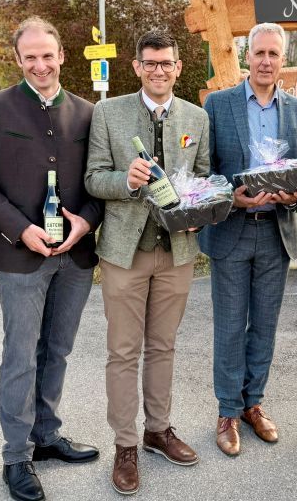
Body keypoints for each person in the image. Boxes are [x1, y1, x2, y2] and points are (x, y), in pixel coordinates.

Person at [0, 16, 103, 501]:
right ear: (18, 59)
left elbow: (99, 179)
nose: (40, 65)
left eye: (48, 55)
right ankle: (15, 457)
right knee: (20, 356)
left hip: (76, 256)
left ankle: (46, 435)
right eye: (31, 57)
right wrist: (21, 229)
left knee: (58, 350)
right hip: (18, 255)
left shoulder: (88, 112)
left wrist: (87, 222)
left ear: (62, 55)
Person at [85, 30, 209, 495]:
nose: (159, 70)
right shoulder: (108, 113)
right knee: (123, 352)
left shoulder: (197, 117)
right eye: (150, 63)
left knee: (163, 346)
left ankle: (158, 430)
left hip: (177, 253)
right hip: (124, 252)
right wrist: (127, 180)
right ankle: (125, 445)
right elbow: (93, 178)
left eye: (166, 63)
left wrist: (197, 211)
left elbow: (204, 177)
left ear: (178, 67)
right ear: (137, 66)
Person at [200, 22, 297, 456]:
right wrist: (231, 197)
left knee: (264, 326)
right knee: (230, 327)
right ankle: (228, 410)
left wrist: (295, 194)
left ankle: (253, 404)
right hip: (232, 230)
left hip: (275, 232)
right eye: (259, 53)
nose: (266, 61)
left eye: (274, 54)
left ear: (284, 59)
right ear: (247, 56)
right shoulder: (219, 104)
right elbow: (206, 169)